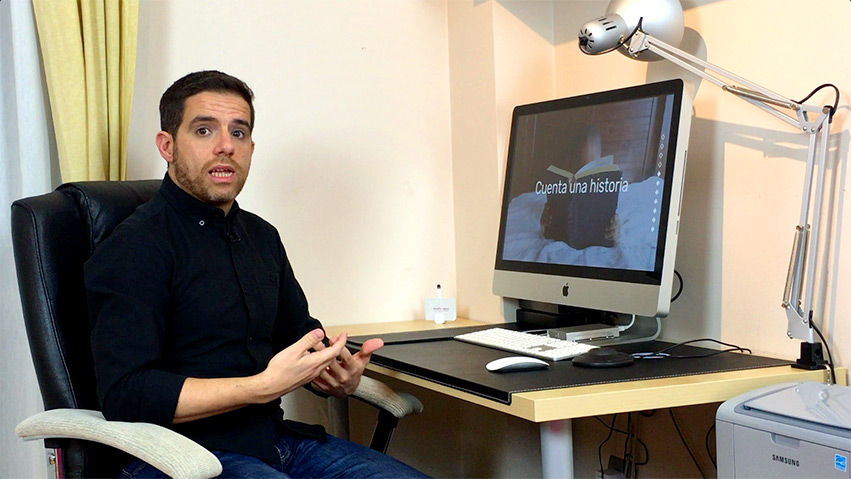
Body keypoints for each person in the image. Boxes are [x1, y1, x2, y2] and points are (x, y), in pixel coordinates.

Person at [86, 70, 429, 479]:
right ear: (168, 145)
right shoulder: (135, 245)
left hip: (276, 441)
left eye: (239, 132)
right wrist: (261, 387)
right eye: (203, 130)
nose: (226, 146)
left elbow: (299, 335)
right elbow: (126, 393)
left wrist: (335, 372)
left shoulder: (262, 237)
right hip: (178, 456)